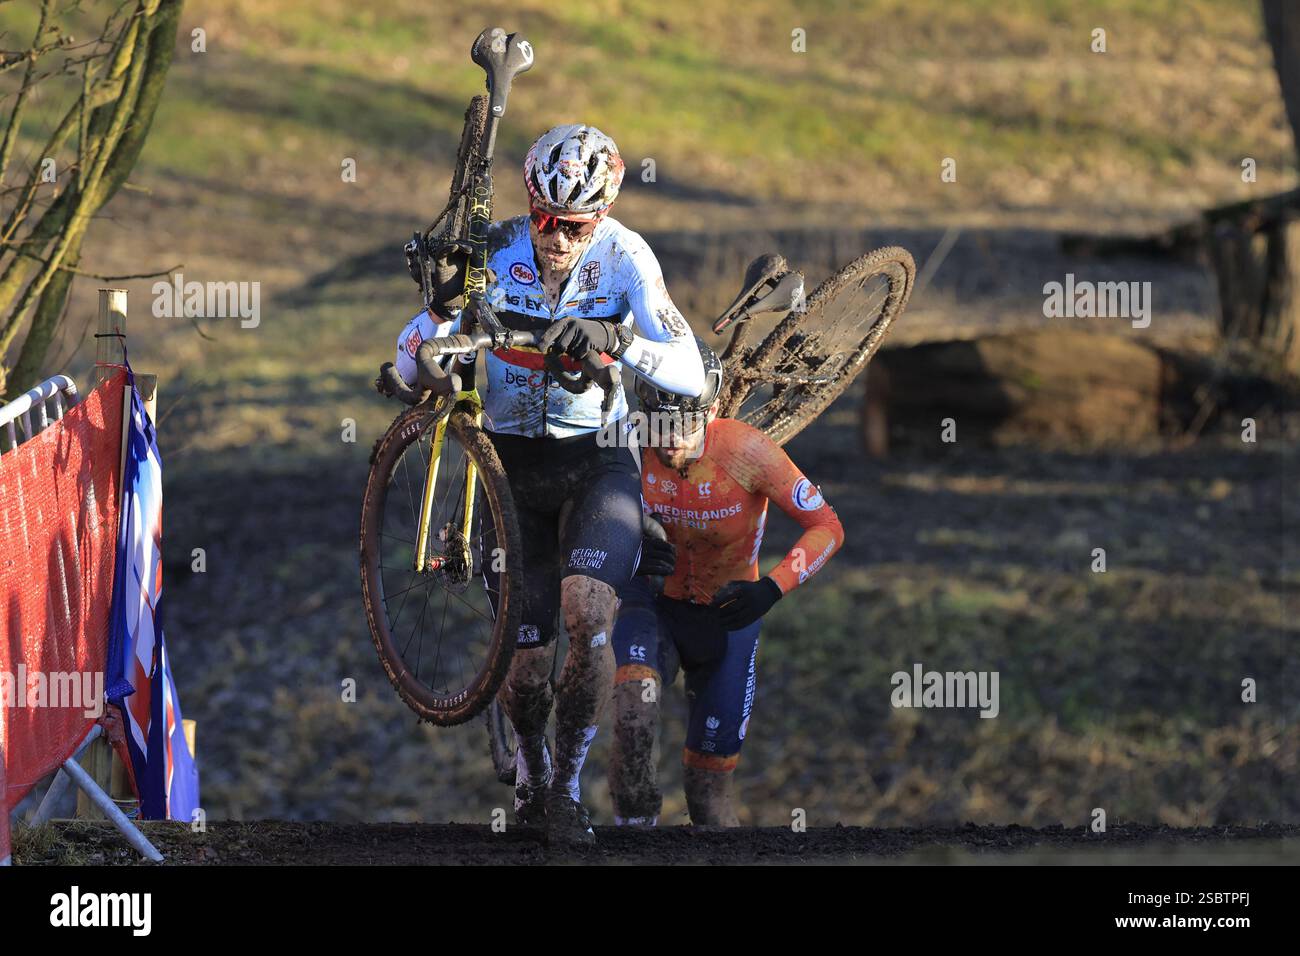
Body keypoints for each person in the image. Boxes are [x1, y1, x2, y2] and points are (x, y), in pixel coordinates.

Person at [394, 124, 704, 845]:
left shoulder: (626, 257)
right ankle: (532, 777)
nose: (556, 239)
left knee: (589, 616)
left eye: (572, 226)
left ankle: (565, 789)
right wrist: (427, 348)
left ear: (600, 217)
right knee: (527, 666)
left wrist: (618, 340)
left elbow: (689, 367)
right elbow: (415, 346)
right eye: (543, 220)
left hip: (596, 460)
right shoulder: (496, 250)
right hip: (507, 470)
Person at [609, 341, 845, 826]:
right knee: (634, 719)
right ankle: (632, 842)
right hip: (652, 603)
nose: (670, 441)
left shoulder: (748, 450)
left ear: (711, 410)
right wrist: (629, 544)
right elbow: (581, 520)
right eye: (660, 426)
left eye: (685, 427)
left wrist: (773, 588)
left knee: (707, 790)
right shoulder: (626, 442)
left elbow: (828, 527)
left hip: (730, 618)